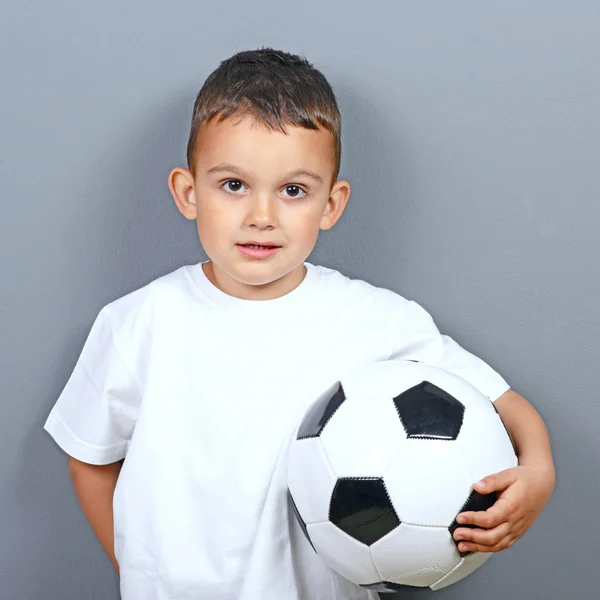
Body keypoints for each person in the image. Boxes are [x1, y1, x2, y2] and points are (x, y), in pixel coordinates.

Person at [43, 47, 556, 600]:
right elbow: (88, 460)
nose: (261, 216)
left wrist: (539, 472)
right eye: (233, 185)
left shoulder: (377, 321)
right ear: (188, 193)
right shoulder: (138, 323)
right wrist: (140, 572)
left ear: (331, 205)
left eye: (293, 191)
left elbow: (503, 402)